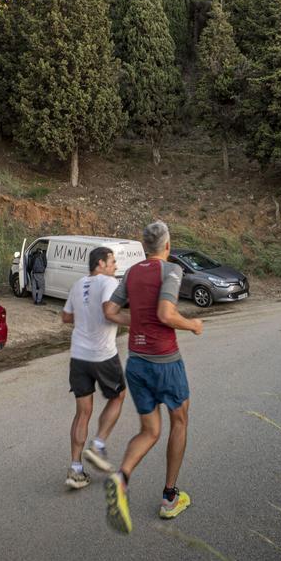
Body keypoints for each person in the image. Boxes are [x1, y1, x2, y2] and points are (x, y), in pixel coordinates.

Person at [101, 221, 203, 533]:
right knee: (179, 421)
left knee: (150, 430)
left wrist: (135, 322)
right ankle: (170, 498)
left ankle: (121, 477)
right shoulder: (171, 271)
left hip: (137, 363)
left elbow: (109, 310)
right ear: (168, 245)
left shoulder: (131, 273)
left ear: (144, 246)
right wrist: (193, 324)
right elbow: (165, 314)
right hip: (165, 362)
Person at [60, 247, 127, 489]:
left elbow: (66, 317)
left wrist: (85, 317)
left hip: (78, 356)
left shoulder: (78, 284)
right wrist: (134, 321)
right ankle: (98, 446)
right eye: (112, 261)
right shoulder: (109, 282)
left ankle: (75, 469)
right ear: (101, 263)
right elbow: (110, 312)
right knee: (119, 396)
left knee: (82, 412)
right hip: (103, 355)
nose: (116, 266)